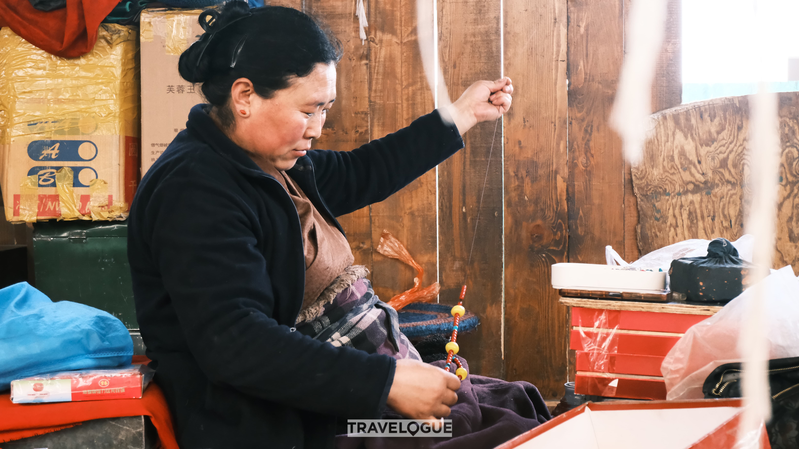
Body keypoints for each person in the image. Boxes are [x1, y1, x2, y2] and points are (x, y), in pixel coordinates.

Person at [127, 2, 518, 448]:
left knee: (510, 408)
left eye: (326, 109)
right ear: (244, 97)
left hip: (333, 400)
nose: (318, 129)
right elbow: (236, 343)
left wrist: (463, 113)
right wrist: (386, 381)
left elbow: (365, 170)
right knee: (486, 436)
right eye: (309, 110)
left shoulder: (274, 162)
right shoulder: (194, 190)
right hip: (289, 426)